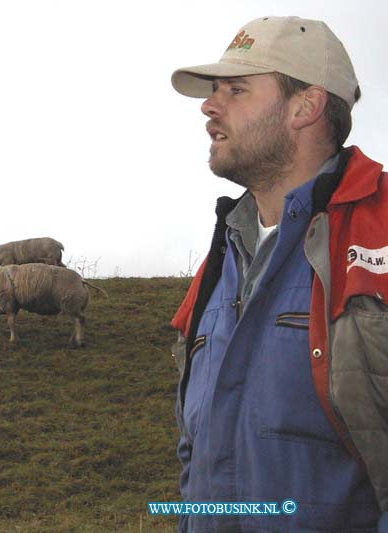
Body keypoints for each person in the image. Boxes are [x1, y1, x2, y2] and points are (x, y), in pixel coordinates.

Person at [169, 16, 387, 531]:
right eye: (214, 91)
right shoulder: (221, 258)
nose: (209, 107)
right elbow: (194, 451)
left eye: (236, 90)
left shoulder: (380, 235)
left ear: (305, 107)